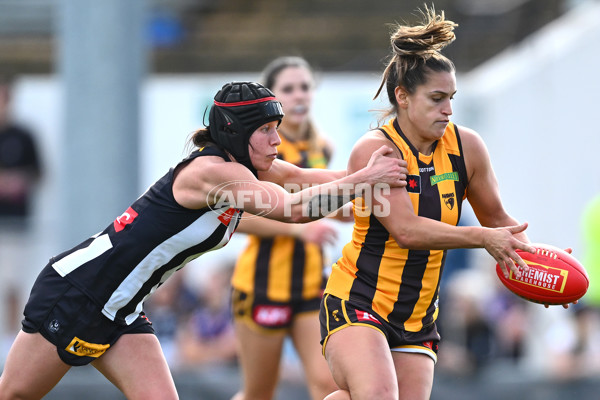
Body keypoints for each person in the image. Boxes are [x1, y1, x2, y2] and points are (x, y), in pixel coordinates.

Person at [0, 81, 407, 400]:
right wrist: (366, 179)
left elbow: (303, 179)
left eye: (276, 129)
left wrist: (378, 176)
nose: (276, 141)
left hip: (121, 308)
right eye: (265, 130)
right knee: (14, 394)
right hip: (77, 291)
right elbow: (294, 208)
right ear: (235, 131)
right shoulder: (212, 173)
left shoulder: (242, 166)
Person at [318, 7, 572, 400]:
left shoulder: (466, 147)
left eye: (451, 98)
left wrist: (541, 266)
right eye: (437, 99)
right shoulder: (378, 150)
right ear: (402, 97)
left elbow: (499, 222)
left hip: (418, 316)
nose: (448, 110)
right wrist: (482, 237)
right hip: (359, 301)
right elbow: (407, 231)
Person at [230, 57, 341, 400]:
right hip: (263, 287)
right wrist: (297, 231)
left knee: (329, 386)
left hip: (311, 285)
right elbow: (238, 218)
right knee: (259, 393)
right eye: (288, 89)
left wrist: (342, 209)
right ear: (271, 99)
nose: (299, 96)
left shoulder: (322, 147)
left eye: (305, 87)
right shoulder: (256, 151)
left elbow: (311, 200)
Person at [0, 74, 42, 347]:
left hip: (15, 224)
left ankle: (8, 341)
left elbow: (37, 173)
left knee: (13, 282)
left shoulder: (23, 136)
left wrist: (17, 182)